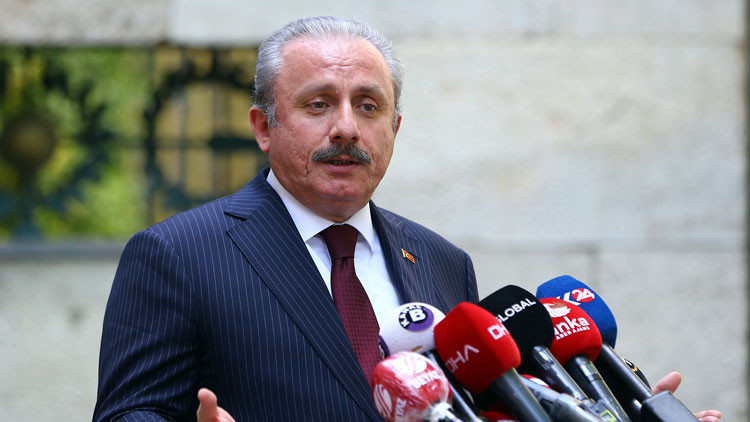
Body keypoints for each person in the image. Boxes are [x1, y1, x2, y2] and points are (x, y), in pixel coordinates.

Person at [94, 16, 721, 422]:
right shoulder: (177, 255)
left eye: (368, 106)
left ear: (394, 129)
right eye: (319, 104)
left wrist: (616, 409)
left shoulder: (444, 262)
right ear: (264, 127)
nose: (346, 127)